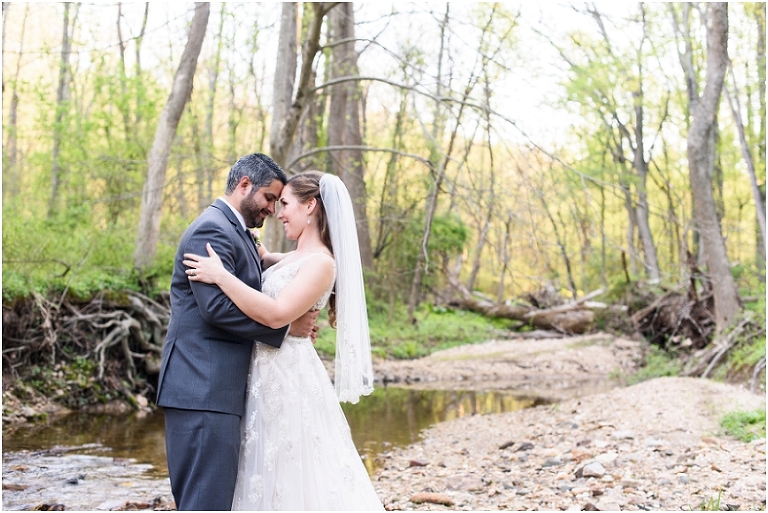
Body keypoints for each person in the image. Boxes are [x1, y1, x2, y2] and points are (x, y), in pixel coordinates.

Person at [184, 171, 383, 510]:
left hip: (288, 375)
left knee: (291, 467)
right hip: (264, 371)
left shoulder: (322, 263)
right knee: (262, 466)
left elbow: (277, 315)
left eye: (286, 204)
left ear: (311, 206)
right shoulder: (294, 257)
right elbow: (263, 259)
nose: (279, 213)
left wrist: (221, 276)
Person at [155, 153, 320, 511]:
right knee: (205, 502)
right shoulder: (211, 229)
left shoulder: (236, 230)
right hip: (202, 388)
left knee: (214, 500)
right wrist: (285, 328)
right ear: (245, 184)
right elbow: (216, 309)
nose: (272, 209)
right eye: (269, 198)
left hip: (217, 390)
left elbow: (261, 271)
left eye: (278, 202)